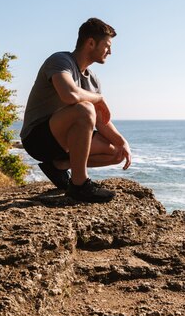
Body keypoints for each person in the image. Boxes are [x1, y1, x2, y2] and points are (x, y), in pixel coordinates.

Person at [20, 18, 131, 203]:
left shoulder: (92, 79)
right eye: (107, 46)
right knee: (85, 108)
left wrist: (122, 142)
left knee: (115, 151)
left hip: (64, 142)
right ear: (91, 43)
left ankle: (59, 165)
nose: (110, 51)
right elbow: (69, 94)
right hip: (37, 138)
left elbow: (100, 119)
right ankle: (79, 185)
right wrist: (99, 98)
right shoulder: (60, 61)